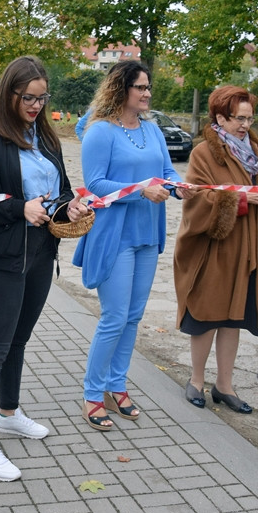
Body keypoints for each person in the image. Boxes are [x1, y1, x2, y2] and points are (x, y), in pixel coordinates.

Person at [0, 55, 90, 482]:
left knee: (19, 340)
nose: (36, 106)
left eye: (41, 98)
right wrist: (21, 209)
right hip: (3, 257)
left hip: (41, 251)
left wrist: (71, 205)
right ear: (9, 95)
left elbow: (63, 190)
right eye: (28, 98)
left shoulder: (47, 139)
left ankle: (9, 413)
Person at [173, 85, 258, 414]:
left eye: (249, 118)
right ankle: (196, 380)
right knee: (207, 316)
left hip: (252, 252)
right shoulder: (204, 153)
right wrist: (241, 200)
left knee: (235, 319)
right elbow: (197, 200)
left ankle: (224, 385)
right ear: (219, 117)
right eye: (238, 118)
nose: (245, 125)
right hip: (218, 252)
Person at [73, 61, 182, 431]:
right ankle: (92, 393)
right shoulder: (100, 132)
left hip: (147, 234)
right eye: (140, 87)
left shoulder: (152, 131)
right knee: (114, 316)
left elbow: (168, 172)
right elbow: (95, 184)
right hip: (115, 234)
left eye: (148, 87)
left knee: (134, 316)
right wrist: (139, 190)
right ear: (121, 89)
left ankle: (116, 385)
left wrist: (177, 185)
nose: (147, 93)